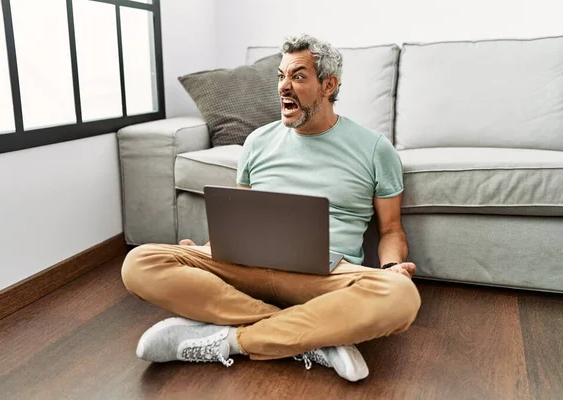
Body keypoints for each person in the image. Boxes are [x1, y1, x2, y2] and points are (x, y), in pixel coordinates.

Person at [121, 34, 420, 382]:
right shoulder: (257, 142)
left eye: (298, 76)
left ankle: (232, 340)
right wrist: (206, 249)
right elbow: (242, 217)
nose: (283, 86)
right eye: (280, 76)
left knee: (400, 297)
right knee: (140, 262)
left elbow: (390, 230)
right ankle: (313, 335)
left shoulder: (374, 149)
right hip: (246, 266)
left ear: (329, 84)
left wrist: (392, 266)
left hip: (325, 274)